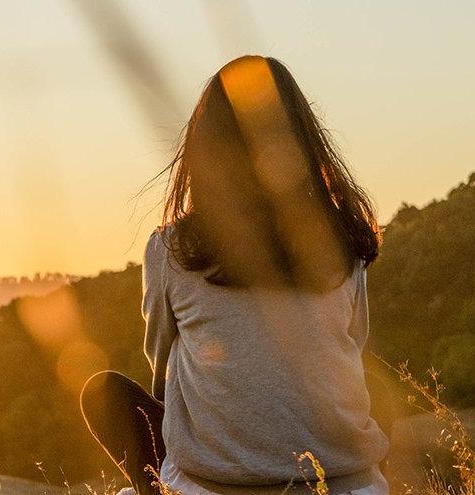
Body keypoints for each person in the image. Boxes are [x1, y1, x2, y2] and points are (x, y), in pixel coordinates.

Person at [81, 55, 389, 495]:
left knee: (104, 393)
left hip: (216, 484)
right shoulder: (344, 242)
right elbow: (351, 347)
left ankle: (156, 490)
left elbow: (163, 370)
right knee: (371, 383)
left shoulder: (173, 250)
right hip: (346, 480)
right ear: (303, 139)